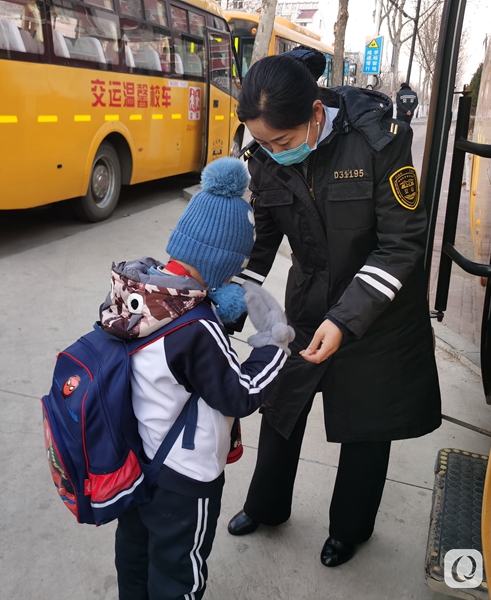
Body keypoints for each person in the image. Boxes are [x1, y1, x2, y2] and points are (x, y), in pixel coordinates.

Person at [227, 48, 442, 567]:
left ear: (315, 114)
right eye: (261, 143)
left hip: (379, 307)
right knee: (284, 406)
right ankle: (266, 506)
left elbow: (402, 242)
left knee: (367, 421)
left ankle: (349, 529)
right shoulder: (266, 159)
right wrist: (226, 305)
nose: (272, 152)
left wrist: (346, 319)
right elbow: (262, 243)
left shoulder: (377, 140)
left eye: (281, 140)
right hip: (309, 300)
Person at [108, 158, 295, 599]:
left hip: (136, 463)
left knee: (135, 558)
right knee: (180, 578)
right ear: (225, 263)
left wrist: (215, 304)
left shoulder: (135, 294)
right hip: (184, 480)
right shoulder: (198, 328)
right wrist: (273, 342)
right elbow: (240, 395)